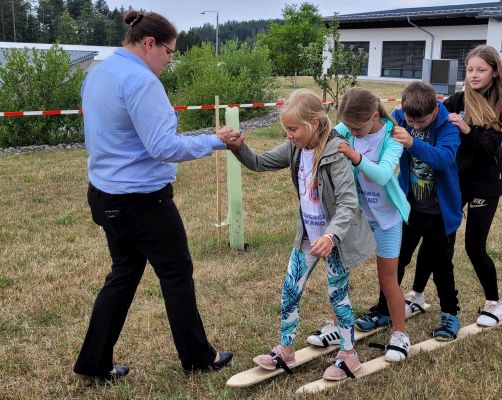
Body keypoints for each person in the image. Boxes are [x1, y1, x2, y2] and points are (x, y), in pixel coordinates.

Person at [74, 10, 240, 380]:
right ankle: (198, 357)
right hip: (142, 201)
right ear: (150, 43)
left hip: (104, 194)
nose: (169, 60)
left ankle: (93, 364)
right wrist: (216, 141)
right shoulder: (142, 81)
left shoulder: (99, 72)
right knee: (176, 273)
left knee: (123, 274)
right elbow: (162, 146)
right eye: (169, 52)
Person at [232, 89, 376, 381]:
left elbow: (348, 202)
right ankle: (285, 350)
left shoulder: (336, 152)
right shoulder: (295, 148)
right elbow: (259, 162)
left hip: (334, 242)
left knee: (338, 296)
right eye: (286, 129)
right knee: (290, 289)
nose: (288, 135)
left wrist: (331, 236)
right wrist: (239, 147)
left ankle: (349, 355)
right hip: (308, 237)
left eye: (293, 129)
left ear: (315, 124)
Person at [307, 87, 411, 362]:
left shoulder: (392, 136)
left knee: (387, 279)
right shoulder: (346, 128)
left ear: (375, 116)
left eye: (357, 128)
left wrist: (355, 157)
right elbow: (324, 134)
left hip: (386, 220)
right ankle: (337, 326)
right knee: (339, 274)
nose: (351, 132)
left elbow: (383, 174)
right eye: (348, 127)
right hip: (355, 218)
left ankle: (400, 334)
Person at [357, 81, 464, 342]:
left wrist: (412, 143)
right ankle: (384, 310)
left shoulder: (448, 126)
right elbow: (375, 122)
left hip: (440, 213)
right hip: (407, 209)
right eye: (410, 121)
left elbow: (444, 159)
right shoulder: (398, 119)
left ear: (434, 110)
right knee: (396, 260)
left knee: (441, 265)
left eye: (421, 122)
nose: (414, 126)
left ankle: (450, 314)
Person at [444, 45, 502, 327]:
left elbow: (487, 148)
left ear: (494, 72)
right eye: (470, 69)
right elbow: (431, 116)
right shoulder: (458, 100)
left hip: (485, 184)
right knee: (441, 239)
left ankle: (494, 302)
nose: (474, 75)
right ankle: (418, 295)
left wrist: (467, 130)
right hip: (457, 180)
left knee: (474, 246)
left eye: (481, 70)